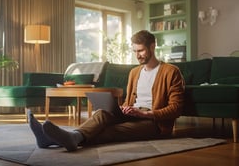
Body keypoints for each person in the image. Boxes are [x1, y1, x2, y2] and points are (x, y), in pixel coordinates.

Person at [28, 30, 185, 152]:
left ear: (152, 47)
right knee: (101, 113)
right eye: (135, 51)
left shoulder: (171, 71)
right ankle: (63, 138)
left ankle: (55, 139)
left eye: (141, 51)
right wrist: (123, 108)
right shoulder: (134, 72)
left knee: (112, 130)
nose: (137, 55)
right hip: (133, 114)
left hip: (154, 123)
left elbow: (176, 109)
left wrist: (145, 114)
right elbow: (129, 101)